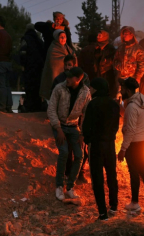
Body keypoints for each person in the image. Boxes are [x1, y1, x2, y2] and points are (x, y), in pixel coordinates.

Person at [47, 67, 91, 201]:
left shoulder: (85, 92)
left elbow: (86, 114)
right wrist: (58, 129)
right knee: (64, 153)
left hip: (73, 126)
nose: (67, 79)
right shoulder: (59, 88)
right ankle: (59, 186)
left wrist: (83, 134)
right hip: (60, 125)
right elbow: (51, 109)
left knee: (79, 155)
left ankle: (70, 187)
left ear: (78, 79)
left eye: (70, 77)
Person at [82, 78, 120, 221]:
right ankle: (114, 206)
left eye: (91, 88)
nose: (90, 91)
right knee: (111, 176)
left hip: (96, 145)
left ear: (96, 89)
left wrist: (88, 139)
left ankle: (103, 213)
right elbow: (116, 125)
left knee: (97, 178)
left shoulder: (93, 104)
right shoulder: (114, 105)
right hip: (110, 145)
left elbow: (86, 126)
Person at [117, 77, 144, 212]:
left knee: (134, 173)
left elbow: (130, 130)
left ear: (128, 90)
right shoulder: (140, 101)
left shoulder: (132, 107)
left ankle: (135, 203)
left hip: (134, 144)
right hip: (143, 141)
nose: (120, 90)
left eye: (122, 89)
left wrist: (123, 149)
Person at [40, 29, 76, 101]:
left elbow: (73, 58)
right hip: (57, 77)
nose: (63, 39)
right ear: (56, 38)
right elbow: (55, 65)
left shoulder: (67, 48)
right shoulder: (53, 49)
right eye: (61, 37)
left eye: (64, 37)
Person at [20, 23, 45, 112]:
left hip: (29, 68)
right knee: (37, 88)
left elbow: (23, 52)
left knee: (29, 87)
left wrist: (23, 64)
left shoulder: (25, 39)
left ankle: (30, 107)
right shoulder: (39, 40)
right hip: (39, 68)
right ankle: (37, 107)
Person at [94, 30, 117, 98]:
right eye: (97, 35)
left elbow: (112, 60)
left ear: (104, 37)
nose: (97, 37)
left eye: (99, 35)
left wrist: (105, 61)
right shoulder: (97, 48)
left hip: (107, 73)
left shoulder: (110, 48)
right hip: (99, 73)